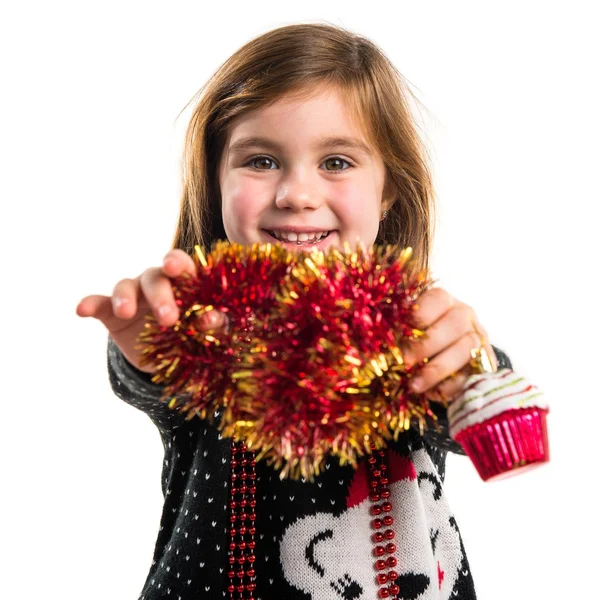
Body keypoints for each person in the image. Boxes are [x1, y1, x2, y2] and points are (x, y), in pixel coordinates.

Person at [77, 22, 512, 600]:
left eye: (336, 162)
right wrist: (150, 347)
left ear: (387, 191)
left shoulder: (413, 331)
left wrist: (472, 364)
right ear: (215, 181)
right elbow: (152, 383)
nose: (296, 194)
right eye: (261, 161)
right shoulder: (205, 329)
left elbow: (485, 416)